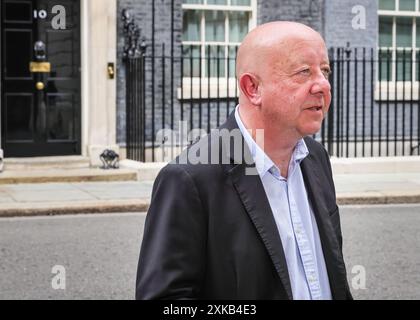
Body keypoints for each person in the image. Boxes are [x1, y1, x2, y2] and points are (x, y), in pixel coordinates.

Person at [135, 21, 353, 300]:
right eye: (303, 72)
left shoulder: (316, 157)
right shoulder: (190, 178)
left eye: (325, 71)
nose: (323, 85)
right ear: (253, 88)